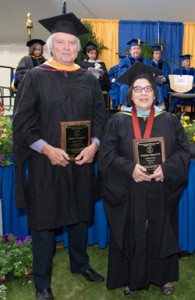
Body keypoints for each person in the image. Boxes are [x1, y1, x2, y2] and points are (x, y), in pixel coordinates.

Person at [13, 13, 107, 300]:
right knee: (44, 221)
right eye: (62, 43)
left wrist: (94, 144)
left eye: (72, 44)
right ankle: (42, 282)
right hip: (46, 163)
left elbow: (100, 117)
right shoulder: (36, 77)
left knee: (79, 216)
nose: (67, 48)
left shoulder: (88, 80)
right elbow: (22, 122)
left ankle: (80, 264)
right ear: (52, 46)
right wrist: (45, 148)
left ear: (78, 49)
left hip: (80, 162)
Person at [98, 62, 190, 295]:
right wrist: (130, 168)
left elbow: (183, 152)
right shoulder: (118, 120)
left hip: (160, 187)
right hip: (130, 188)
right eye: (137, 89)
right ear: (130, 94)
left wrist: (166, 170)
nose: (143, 93)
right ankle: (132, 277)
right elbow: (107, 155)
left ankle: (164, 277)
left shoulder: (169, 120)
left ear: (155, 93)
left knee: (162, 228)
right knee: (133, 230)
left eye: (147, 89)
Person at [117, 38, 148, 108]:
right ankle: (124, 107)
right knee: (123, 87)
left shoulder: (145, 61)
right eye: (134, 49)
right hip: (129, 83)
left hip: (142, 83)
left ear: (140, 51)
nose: (136, 50)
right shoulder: (124, 61)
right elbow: (122, 73)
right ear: (130, 51)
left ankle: (148, 108)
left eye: (138, 48)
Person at [147, 45, 171, 110]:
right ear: (152, 55)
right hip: (151, 84)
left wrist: (163, 79)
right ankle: (158, 106)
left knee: (165, 87)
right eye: (156, 53)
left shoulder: (165, 64)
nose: (158, 55)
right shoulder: (148, 64)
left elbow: (167, 74)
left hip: (162, 83)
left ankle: (162, 107)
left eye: (160, 53)